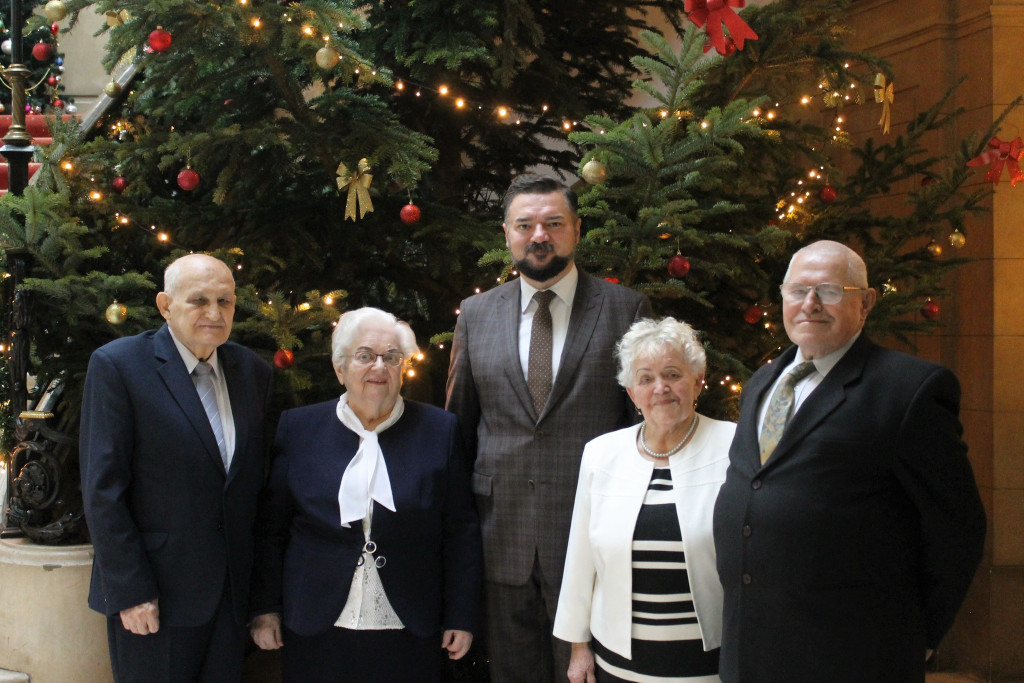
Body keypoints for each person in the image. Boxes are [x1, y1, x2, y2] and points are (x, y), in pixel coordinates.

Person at [713, 240, 986, 682]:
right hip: (751, 651)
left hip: (853, 656)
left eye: (830, 290)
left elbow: (958, 528)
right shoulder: (764, 381)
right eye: (797, 290)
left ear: (866, 303)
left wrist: (919, 635)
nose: (811, 304)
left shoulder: (908, 390)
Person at [445, 173, 652, 682]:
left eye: (554, 223)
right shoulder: (475, 315)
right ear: (507, 234)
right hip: (502, 539)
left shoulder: (625, 309)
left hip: (590, 539)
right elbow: (459, 430)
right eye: (526, 224)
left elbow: (643, 433)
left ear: (577, 230)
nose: (540, 235)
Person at [249, 307, 482, 682]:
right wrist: (265, 609)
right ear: (339, 368)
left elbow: (460, 533)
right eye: (364, 356)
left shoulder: (440, 430)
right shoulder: (298, 429)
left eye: (391, 357)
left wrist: (461, 615)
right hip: (315, 619)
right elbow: (272, 529)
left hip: (411, 620)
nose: (379, 367)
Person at [80, 253, 274, 682]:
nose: (214, 313)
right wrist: (131, 592)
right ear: (165, 305)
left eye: (225, 301)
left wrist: (261, 599)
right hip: (154, 599)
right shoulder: (120, 366)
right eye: (199, 300)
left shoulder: (252, 372)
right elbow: (102, 491)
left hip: (229, 600)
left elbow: (254, 492)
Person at [554, 317, 733, 683]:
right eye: (646, 378)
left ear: (698, 381)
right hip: (619, 665)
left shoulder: (734, 446)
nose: (660, 388)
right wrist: (578, 646)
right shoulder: (601, 454)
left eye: (672, 374)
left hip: (709, 665)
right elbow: (580, 558)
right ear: (632, 393)